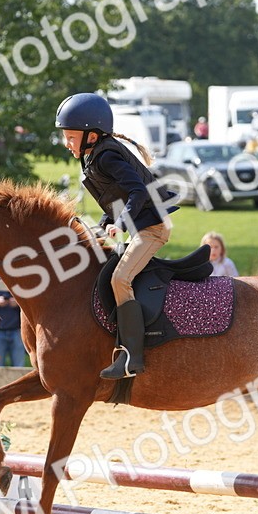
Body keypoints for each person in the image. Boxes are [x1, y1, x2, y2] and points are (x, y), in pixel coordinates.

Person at [55, 92, 178, 380]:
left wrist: (120, 223)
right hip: (139, 226)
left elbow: (137, 192)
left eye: (71, 137)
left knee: (119, 279)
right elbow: (115, 199)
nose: (67, 143)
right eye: (66, 137)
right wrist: (99, 227)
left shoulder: (107, 156)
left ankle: (132, 357)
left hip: (152, 229)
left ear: (92, 137)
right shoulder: (96, 155)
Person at [0, 290, 27, 367]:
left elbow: (30, 307)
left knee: (19, 367)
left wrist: (19, 303)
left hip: (17, 332)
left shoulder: (18, 284)